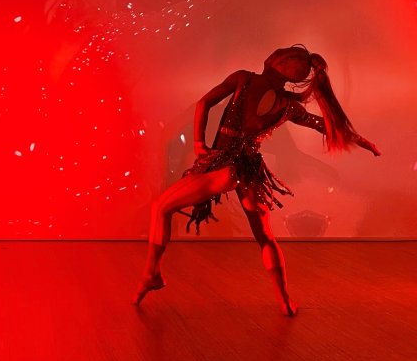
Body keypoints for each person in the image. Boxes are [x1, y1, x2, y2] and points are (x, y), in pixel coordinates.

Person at [131, 45, 381, 315]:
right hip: (249, 171)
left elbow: (204, 103)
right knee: (264, 236)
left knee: (160, 207)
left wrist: (199, 143)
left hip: (227, 167)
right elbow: (327, 125)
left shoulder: (244, 79)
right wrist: (362, 141)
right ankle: (285, 302)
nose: (272, 53)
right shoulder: (289, 106)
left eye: (279, 53)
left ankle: (151, 274)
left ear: (278, 62)